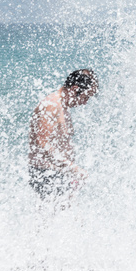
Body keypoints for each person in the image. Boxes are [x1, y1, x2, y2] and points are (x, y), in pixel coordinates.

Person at [28, 69, 98, 199]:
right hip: (46, 174)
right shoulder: (51, 105)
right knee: (51, 216)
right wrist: (73, 169)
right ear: (74, 89)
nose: (85, 102)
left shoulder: (62, 106)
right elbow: (41, 144)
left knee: (63, 216)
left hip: (59, 173)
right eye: (86, 97)